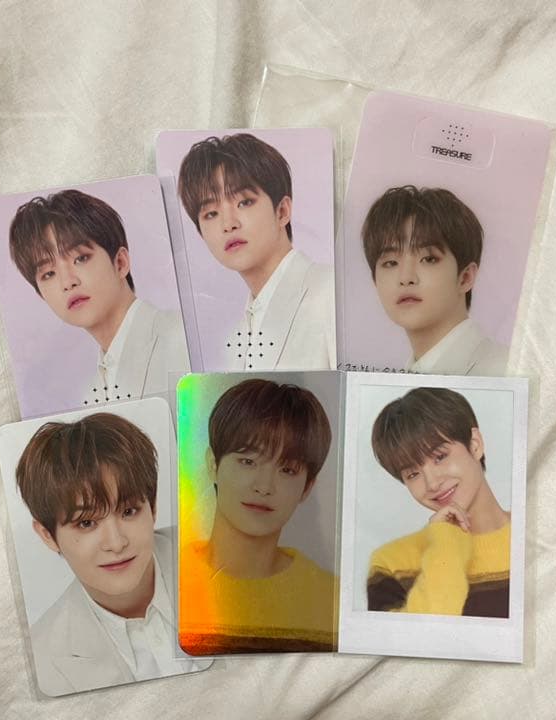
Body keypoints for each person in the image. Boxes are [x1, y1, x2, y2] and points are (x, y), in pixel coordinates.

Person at [15, 412, 207, 696]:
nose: (116, 543)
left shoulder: (225, 561)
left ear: (153, 507)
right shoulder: (40, 660)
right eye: (86, 523)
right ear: (47, 535)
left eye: (128, 511)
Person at [179, 378, 338, 654]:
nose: (264, 486)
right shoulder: (164, 577)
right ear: (213, 465)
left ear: (307, 487)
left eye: (287, 470)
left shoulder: (328, 597)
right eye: (248, 461)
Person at [9, 189, 189, 406]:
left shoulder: (183, 338)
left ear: (120, 263)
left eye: (80, 259)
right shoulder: (92, 395)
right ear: (41, 295)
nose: (67, 282)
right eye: (48, 274)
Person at [177, 133, 335, 371]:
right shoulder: (238, 338)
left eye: (244, 202)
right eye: (211, 214)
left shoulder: (331, 293)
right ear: (201, 233)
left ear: (282, 211)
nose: (228, 224)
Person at [367, 387, 511, 617]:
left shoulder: (536, 536)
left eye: (440, 457)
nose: (432, 483)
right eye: (412, 474)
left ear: (475, 444)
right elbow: (422, 636)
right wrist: (445, 543)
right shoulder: (391, 565)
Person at [361, 185, 508, 375]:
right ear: (375, 281)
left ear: (466, 277)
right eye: (390, 263)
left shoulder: (508, 371)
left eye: (428, 259)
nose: (406, 278)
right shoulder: (401, 376)